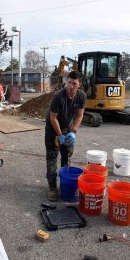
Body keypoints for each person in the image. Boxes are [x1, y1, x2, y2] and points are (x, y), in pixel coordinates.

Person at [45, 70, 86, 201]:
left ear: (79, 84)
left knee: (66, 155)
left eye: (74, 83)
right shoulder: (58, 96)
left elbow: (79, 116)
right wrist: (60, 136)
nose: (71, 86)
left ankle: (64, 183)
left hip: (68, 128)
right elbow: (53, 118)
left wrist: (73, 132)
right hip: (53, 128)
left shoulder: (81, 96)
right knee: (52, 157)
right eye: (69, 82)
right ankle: (52, 187)